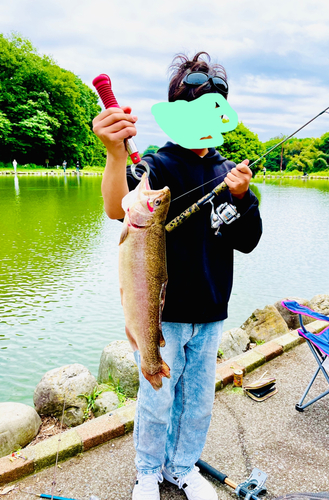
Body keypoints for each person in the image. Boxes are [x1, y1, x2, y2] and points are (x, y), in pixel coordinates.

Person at [93, 52, 262, 500]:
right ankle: (147, 471)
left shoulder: (231, 174)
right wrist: (114, 155)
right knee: (156, 402)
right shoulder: (157, 165)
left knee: (197, 407)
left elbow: (248, 240)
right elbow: (117, 206)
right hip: (160, 316)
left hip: (210, 314)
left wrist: (243, 198)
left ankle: (182, 468)